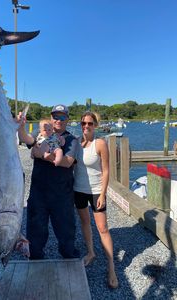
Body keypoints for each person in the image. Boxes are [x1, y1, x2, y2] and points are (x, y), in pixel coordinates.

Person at [18, 104, 79, 260]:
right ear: (51, 119)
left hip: (62, 195)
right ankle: (35, 257)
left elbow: (67, 162)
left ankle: (69, 257)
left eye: (62, 117)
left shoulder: (71, 139)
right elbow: (25, 139)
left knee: (66, 232)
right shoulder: (39, 133)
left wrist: (41, 154)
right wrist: (20, 126)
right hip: (38, 193)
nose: (58, 120)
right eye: (55, 117)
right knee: (35, 232)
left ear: (67, 119)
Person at [73, 111, 118, 288]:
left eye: (90, 123)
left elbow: (106, 170)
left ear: (95, 125)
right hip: (79, 189)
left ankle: (111, 265)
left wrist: (103, 194)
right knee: (85, 223)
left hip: (96, 191)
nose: (86, 126)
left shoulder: (100, 143)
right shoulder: (77, 143)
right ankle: (91, 252)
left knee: (102, 228)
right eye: (83, 123)